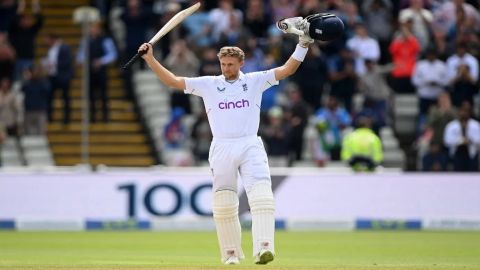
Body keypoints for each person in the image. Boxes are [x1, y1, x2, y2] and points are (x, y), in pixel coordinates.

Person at [138, 14, 324, 265]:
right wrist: (150, 58)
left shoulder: (256, 80)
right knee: (224, 204)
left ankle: (264, 248)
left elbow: (288, 69)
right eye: (223, 64)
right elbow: (172, 81)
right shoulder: (209, 84)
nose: (227, 69)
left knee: (262, 198)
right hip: (222, 146)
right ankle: (231, 254)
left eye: (231, 64)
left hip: (250, 144)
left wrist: (302, 45)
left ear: (241, 63)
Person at [76, 22, 117, 123]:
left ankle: (105, 117)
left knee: (103, 95)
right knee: (90, 96)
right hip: (89, 72)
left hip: (101, 71)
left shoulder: (105, 40)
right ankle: (92, 117)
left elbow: (112, 55)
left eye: (95, 28)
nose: (93, 30)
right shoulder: (85, 41)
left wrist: (101, 61)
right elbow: (80, 55)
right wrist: (82, 61)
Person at [43, 33, 74, 124]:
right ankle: (50, 117)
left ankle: (66, 118)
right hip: (52, 76)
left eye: (47, 39)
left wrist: (54, 64)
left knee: (65, 97)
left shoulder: (64, 47)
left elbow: (67, 61)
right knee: (49, 97)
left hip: (63, 77)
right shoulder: (50, 49)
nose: (46, 42)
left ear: (52, 39)